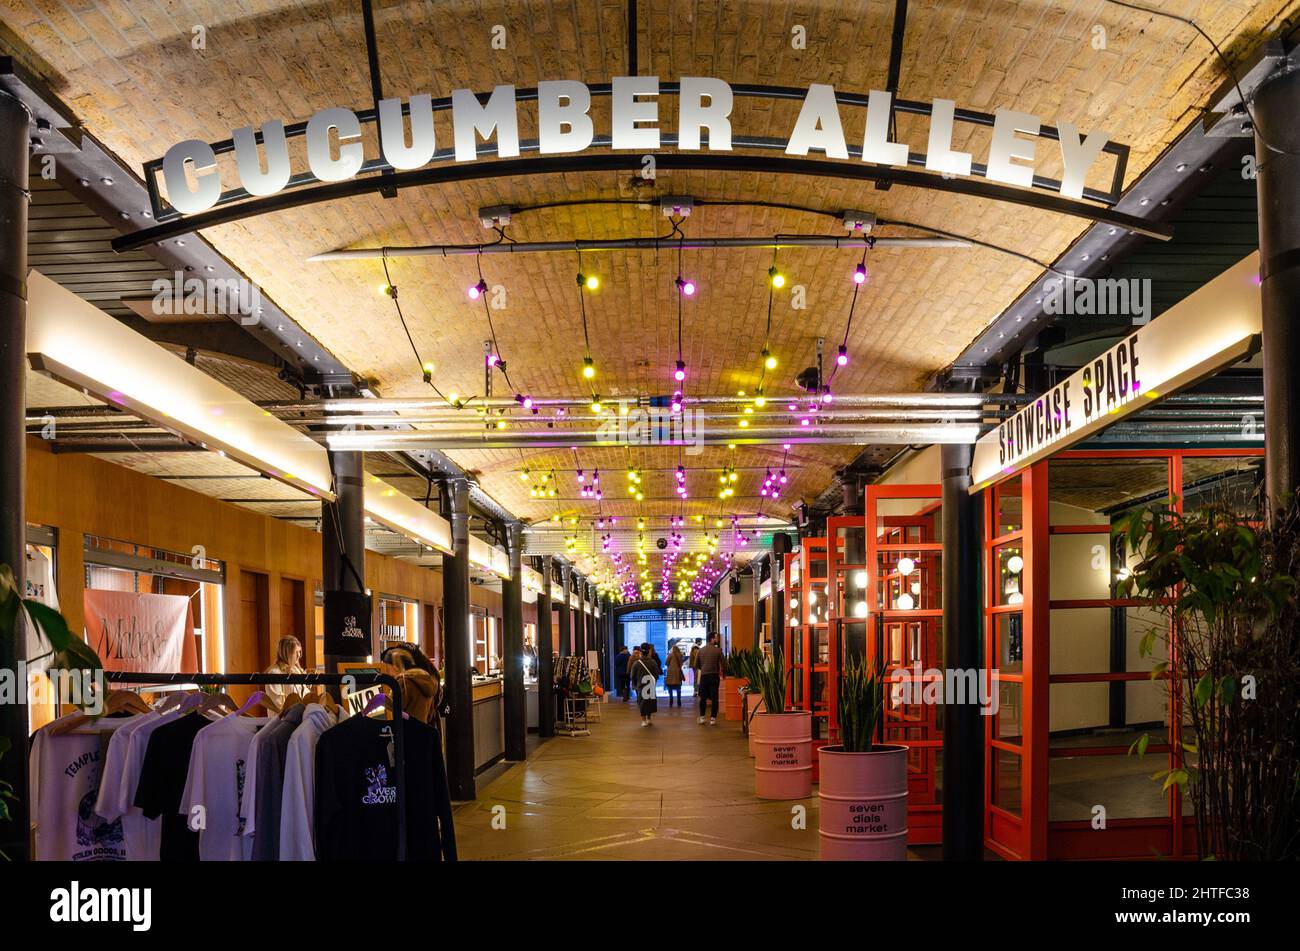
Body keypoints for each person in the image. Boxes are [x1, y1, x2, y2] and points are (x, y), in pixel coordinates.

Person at [263, 635, 304, 712]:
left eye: (300, 652)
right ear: (286, 653)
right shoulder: (274, 673)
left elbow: (306, 695)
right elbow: (278, 705)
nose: (299, 655)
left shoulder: (297, 670)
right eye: (296, 652)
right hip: (283, 720)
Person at [695, 632, 725, 725]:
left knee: (703, 698)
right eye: (716, 637)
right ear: (712, 639)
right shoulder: (718, 650)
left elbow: (696, 664)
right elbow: (724, 663)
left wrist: (703, 668)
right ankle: (713, 719)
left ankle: (702, 717)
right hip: (714, 676)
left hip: (704, 676)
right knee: (714, 698)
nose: (717, 639)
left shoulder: (700, 650)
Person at [630, 647, 660, 726]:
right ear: (648, 652)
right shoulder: (653, 662)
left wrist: (634, 684)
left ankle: (643, 720)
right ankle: (649, 719)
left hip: (641, 685)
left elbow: (632, 675)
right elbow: (657, 673)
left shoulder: (637, 663)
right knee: (650, 701)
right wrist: (655, 680)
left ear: (641, 653)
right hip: (650, 684)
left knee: (642, 701)